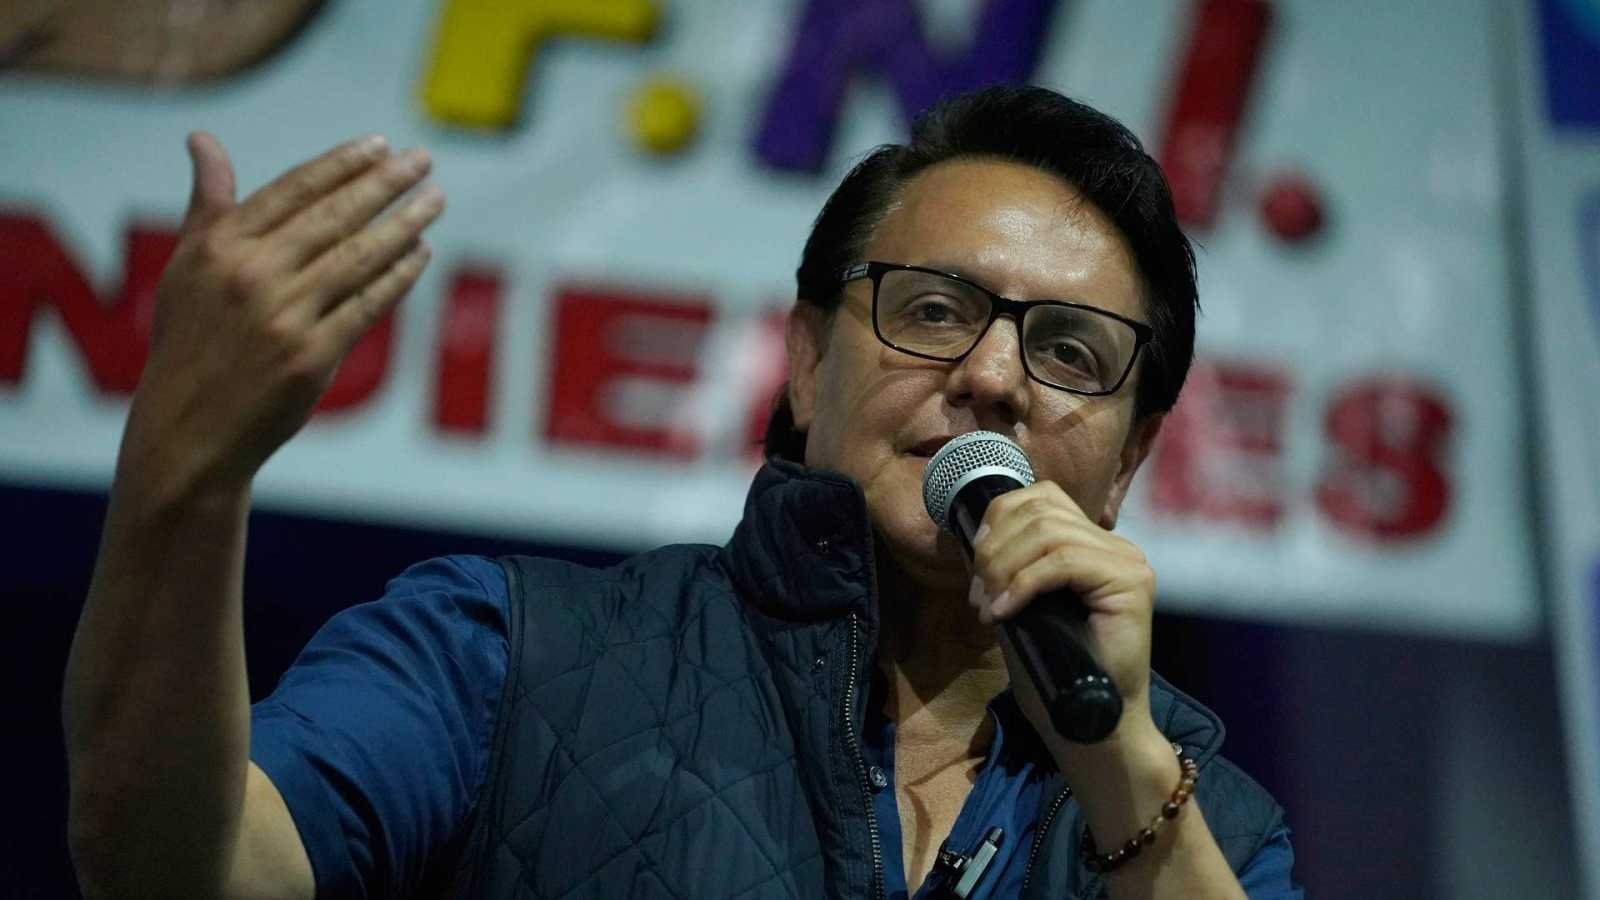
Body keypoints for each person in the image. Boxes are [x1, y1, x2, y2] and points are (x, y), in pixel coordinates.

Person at [64, 85, 1302, 899]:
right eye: (933, 310)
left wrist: (1118, 765)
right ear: (806, 364)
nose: (991, 376)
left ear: (1129, 459)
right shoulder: (506, 655)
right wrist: (186, 478)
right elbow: (180, 871)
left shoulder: (1218, 826)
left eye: (1068, 352)